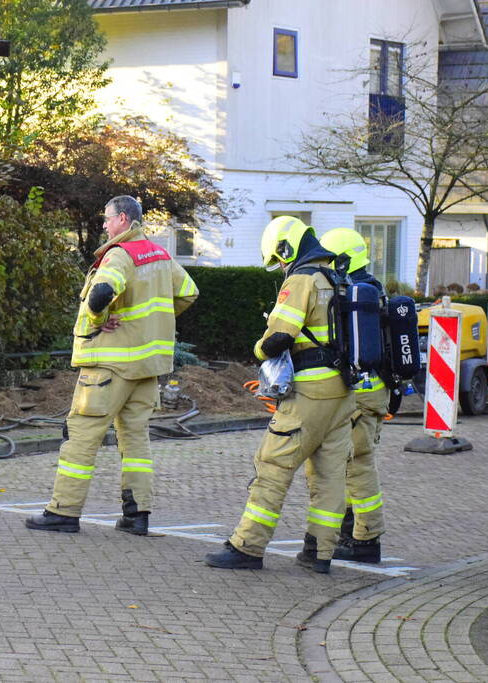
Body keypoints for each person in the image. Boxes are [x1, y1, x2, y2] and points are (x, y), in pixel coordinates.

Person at [25, 196, 199, 535]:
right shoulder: (159, 254)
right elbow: (189, 292)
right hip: (146, 369)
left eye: (106, 219)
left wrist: (99, 318)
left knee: (81, 436)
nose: (104, 225)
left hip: (109, 367)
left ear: (122, 219)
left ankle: (63, 511)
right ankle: (137, 516)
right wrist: (152, 322)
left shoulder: (119, 255)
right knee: (136, 441)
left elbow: (100, 294)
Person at [204, 215, 355, 573]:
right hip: (343, 391)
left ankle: (247, 546)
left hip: (309, 393)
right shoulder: (339, 279)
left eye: (280, 257)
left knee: (273, 465)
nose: (282, 265)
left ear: (287, 248)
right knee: (330, 476)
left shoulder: (302, 280)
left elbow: (278, 339)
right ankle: (319, 553)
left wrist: (256, 350)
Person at [317, 227, 389, 563]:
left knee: (358, 466)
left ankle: (366, 541)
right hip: (373, 390)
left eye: (332, 260)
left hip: (361, 393)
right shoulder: (373, 290)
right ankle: (352, 533)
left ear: (343, 259)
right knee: (349, 465)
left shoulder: (355, 295)